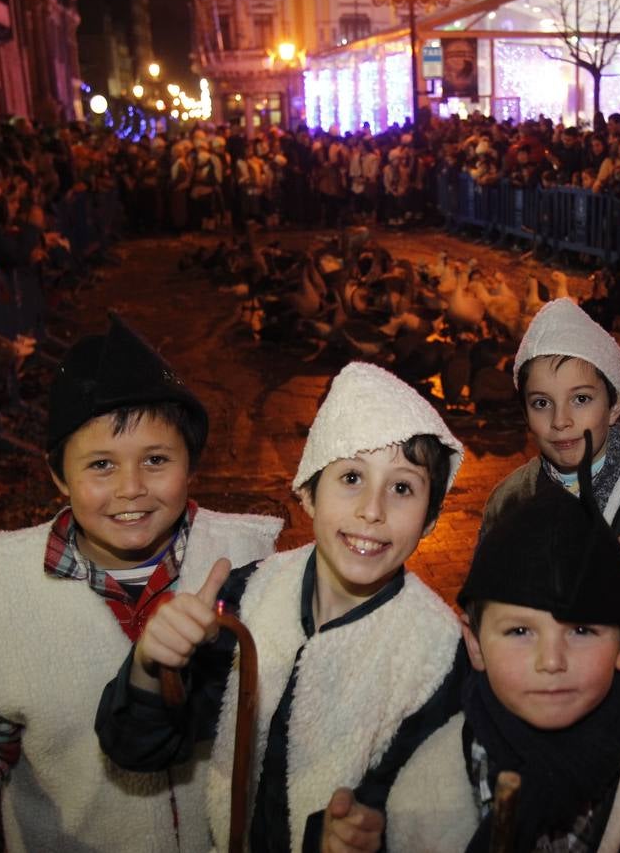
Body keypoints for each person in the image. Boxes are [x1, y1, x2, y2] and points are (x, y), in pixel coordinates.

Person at [0, 315, 282, 852]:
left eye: (156, 460)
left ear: (191, 465)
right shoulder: (6, 592)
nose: (131, 488)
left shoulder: (247, 562)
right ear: (58, 474)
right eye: (100, 465)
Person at [96, 362, 467, 852]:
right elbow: (138, 749)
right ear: (309, 492)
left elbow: (432, 822)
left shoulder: (437, 657)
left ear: (430, 517)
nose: (372, 510)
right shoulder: (247, 598)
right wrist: (151, 667)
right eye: (351, 476)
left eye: (402, 488)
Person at [386, 432, 620, 850]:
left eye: (581, 630)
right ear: (474, 644)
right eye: (520, 631)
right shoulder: (421, 798)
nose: (551, 660)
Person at [481, 298, 620, 565]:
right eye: (541, 403)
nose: (560, 421)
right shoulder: (508, 501)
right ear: (525, 414)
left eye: (581, 399)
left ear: (614, 405)